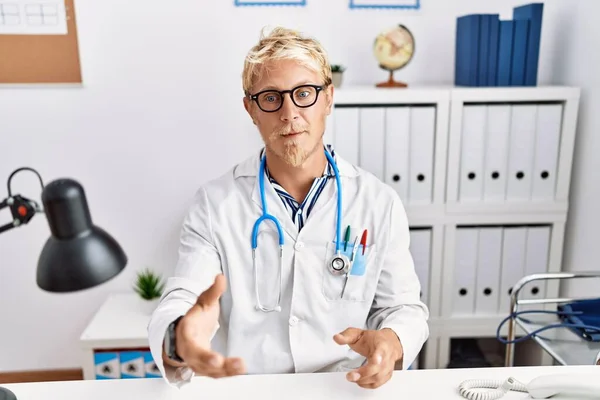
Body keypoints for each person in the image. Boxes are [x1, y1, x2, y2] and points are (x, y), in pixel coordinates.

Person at [147, 26, 429, 390]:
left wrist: (391, 341)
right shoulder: (215, 203)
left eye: (304, 93)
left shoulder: (378, 202)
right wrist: (179, 336)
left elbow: (404, 308)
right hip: (250, 388)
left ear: (328, 98)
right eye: (270, 98)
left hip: (343, 387)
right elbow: (185, 295)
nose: (289, 112)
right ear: (251, 109)